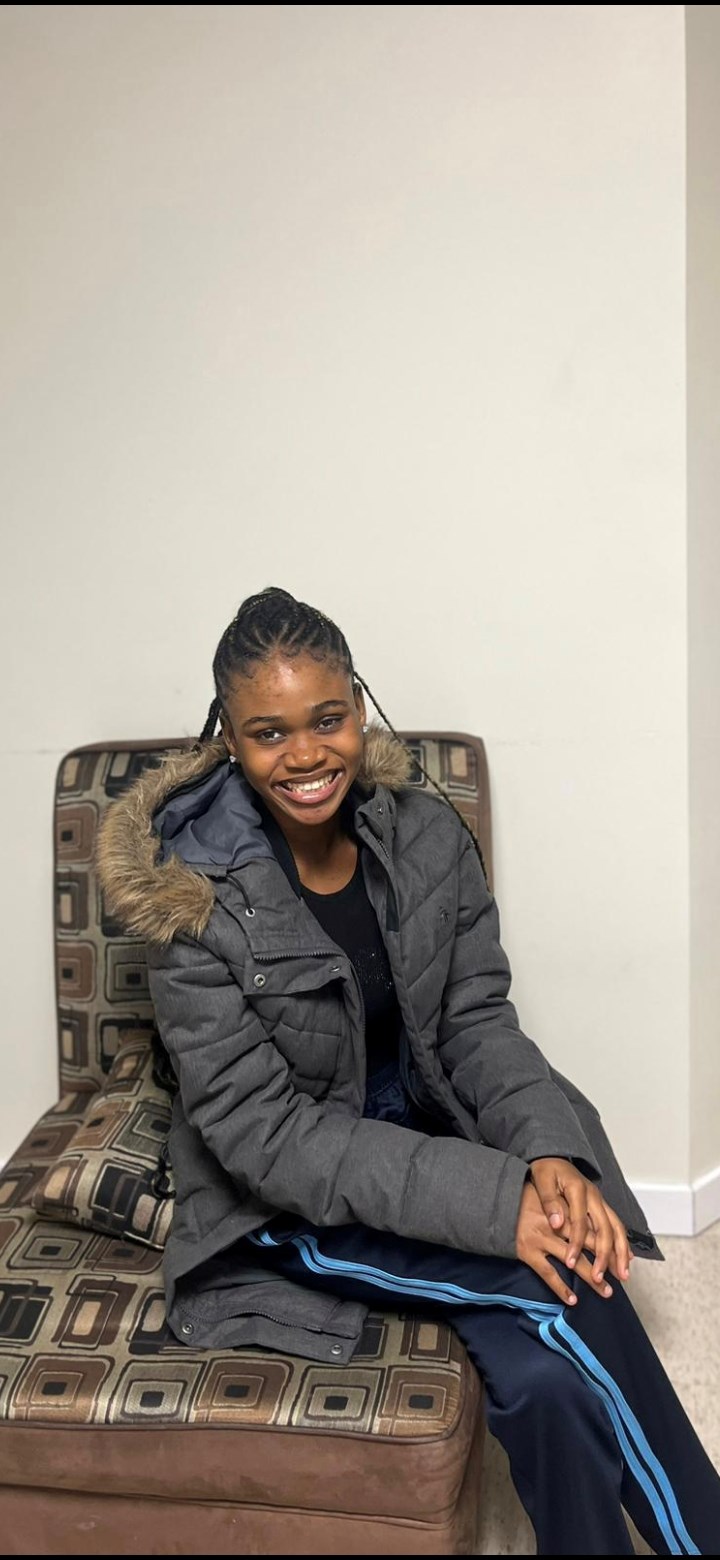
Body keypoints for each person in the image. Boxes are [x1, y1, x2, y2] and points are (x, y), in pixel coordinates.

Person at [98, 586, 720, 1557]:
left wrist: (547, 1154)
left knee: (547, 1375)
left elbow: (476, 1021)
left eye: (327, 719)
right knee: (563, 1285)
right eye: (268, 733)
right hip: (280, 1201)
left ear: (359, 704)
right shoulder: (189, 900)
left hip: (421, 1130)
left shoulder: (424, 837)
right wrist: (499, 1204)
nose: (305, 755)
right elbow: (270, 1139)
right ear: (228, 736)